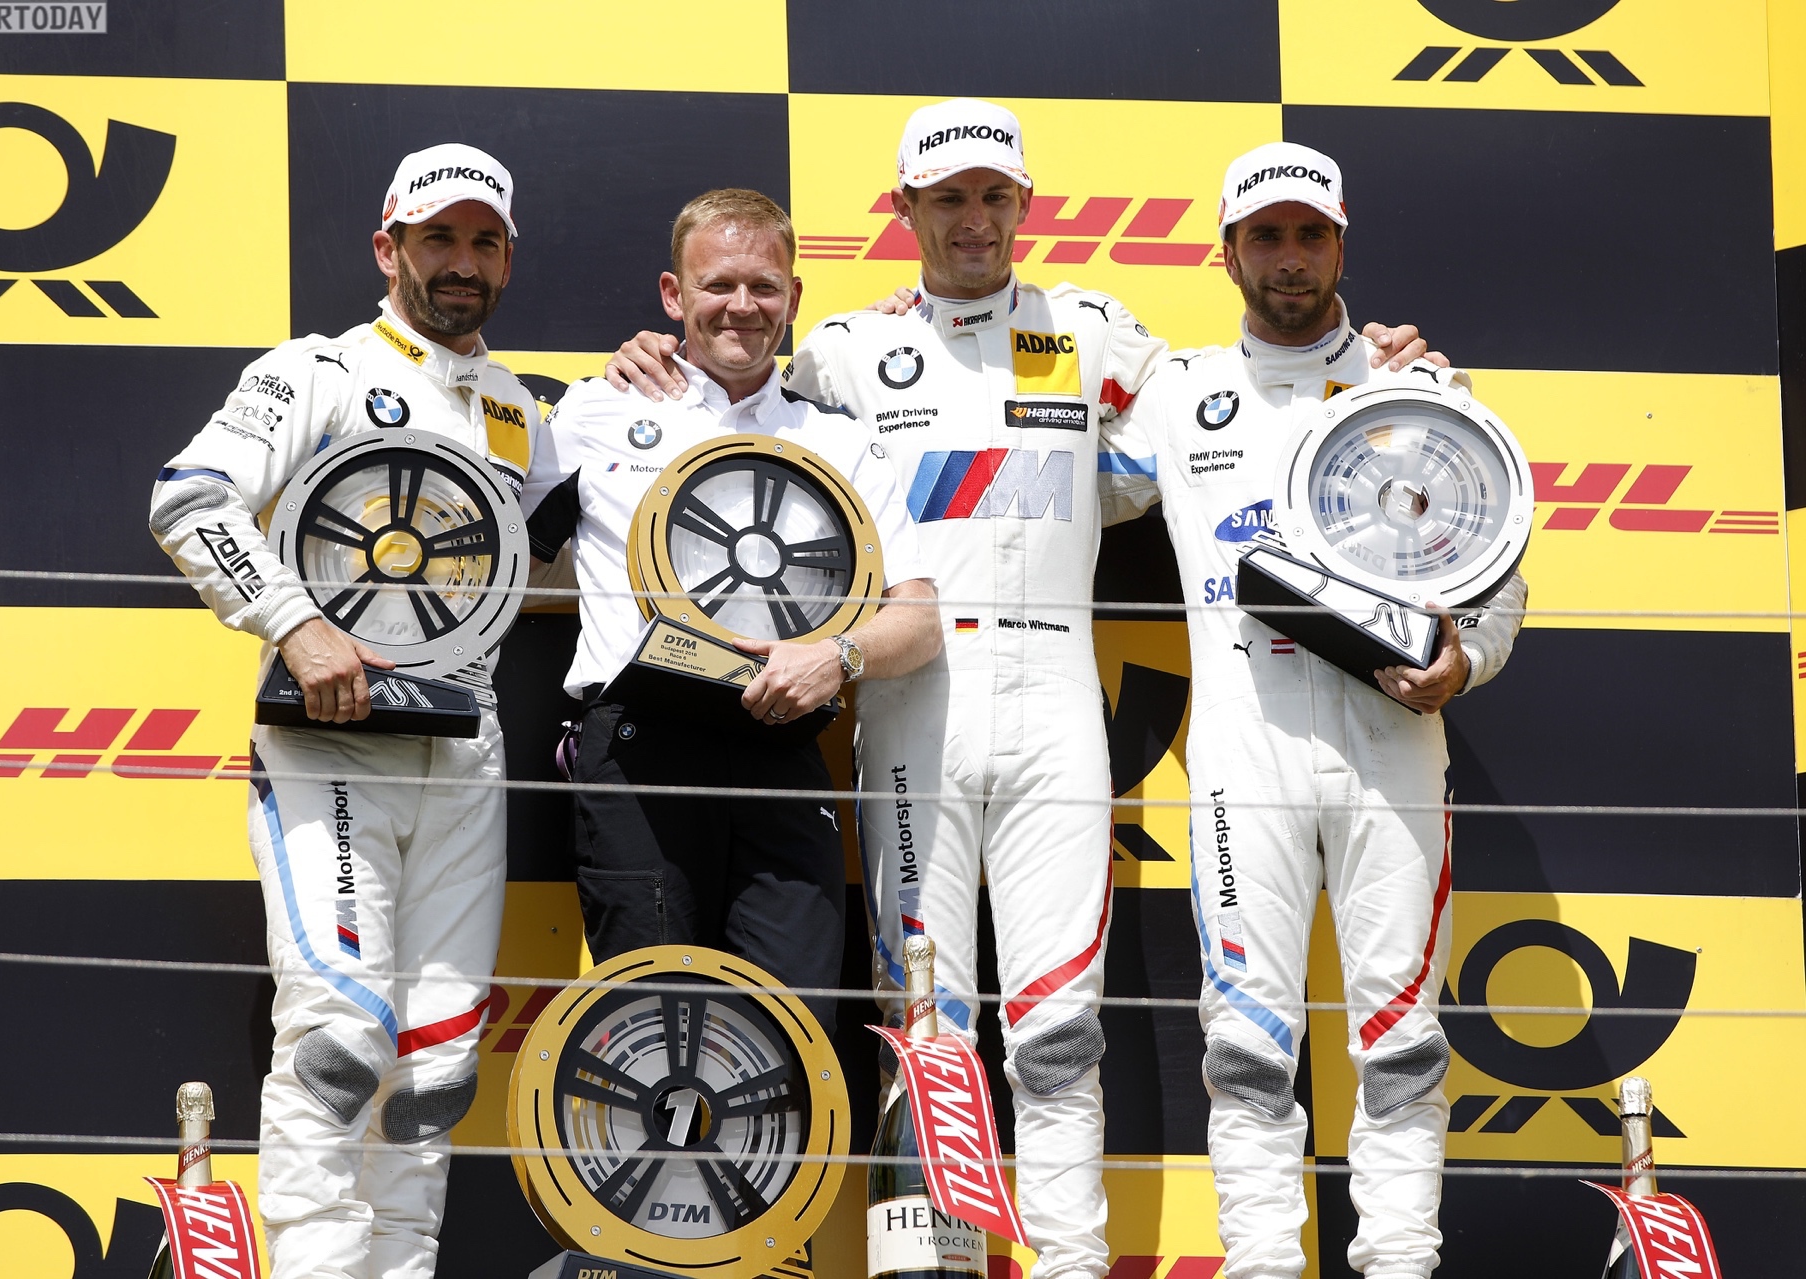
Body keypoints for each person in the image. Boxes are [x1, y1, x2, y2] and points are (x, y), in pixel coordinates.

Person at [606, 102, 1434, 1279]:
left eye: (995, 197)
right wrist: (647, 360)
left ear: (1024, 206)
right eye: (948, 198)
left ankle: (1070, 1262)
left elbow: (1253, 406)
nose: (974, 221)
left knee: (1058, 1027)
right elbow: (733, 400)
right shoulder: (843, 351)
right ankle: (928, 1267)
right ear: (907, 209)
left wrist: (1376, 363)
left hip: (1056, 706)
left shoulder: (1093, 332)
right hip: (912, 705)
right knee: (923, 1022)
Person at [1101, 141, 1528, 1279]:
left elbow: (1500, 574)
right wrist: (912, 337)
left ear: (1342, 244)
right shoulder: (1175, 395)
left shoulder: (1418, 387)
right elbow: (1027, 473)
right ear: (1227, 253)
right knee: (1246, 1044)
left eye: (1310, 234)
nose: (1289, 257)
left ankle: (1401, 1262)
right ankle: (1261, 1264)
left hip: (1392, 739)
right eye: (1266, 236)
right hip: (1244, 755)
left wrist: (1465, 665)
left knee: (1404, 1041)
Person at [148, 143, 540, 1279]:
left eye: (483, 241)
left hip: (466, 753)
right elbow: (189, 496)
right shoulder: (315, 371)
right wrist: (295, 622)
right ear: (386, 247)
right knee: (339, 1040)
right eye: (437, 238)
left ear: (507, 260)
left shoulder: (522, 408)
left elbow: (591, 539)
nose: (460, 262)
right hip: (332, 740)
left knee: (437, 1066)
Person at [521, 188, 940, 1035]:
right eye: (717, 285)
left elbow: (920, 621)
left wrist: (839, 657)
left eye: (764, 286)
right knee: (651, 1035)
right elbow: (506, 565)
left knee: (792, 1037)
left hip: (783, 747)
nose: (741, 306)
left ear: (793, 297)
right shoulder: (597, 410)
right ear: (673, 295)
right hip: (638, 752)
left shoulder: (841, 441)